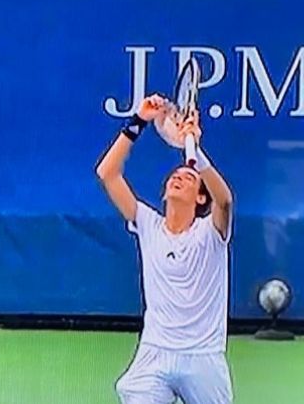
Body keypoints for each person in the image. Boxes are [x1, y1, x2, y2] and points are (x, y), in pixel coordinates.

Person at [95, 94, 234, 403]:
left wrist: (195, 149)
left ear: (200, 199)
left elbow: (224, 200)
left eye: (187, 177)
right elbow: (107, 174)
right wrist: (138, 121)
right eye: (175, 176)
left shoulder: (211, 233)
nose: (177, 178)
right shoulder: (147, 224)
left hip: (202, 357)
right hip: (154, 354)